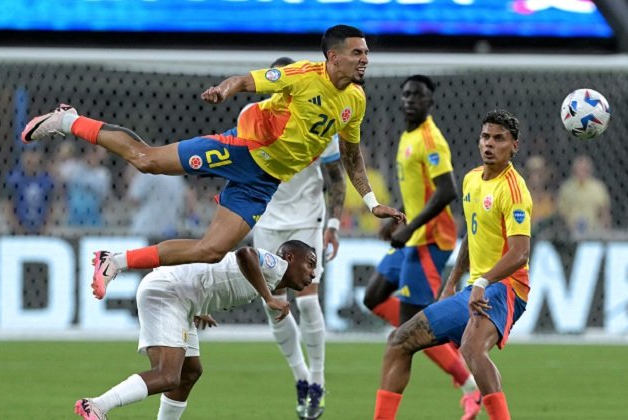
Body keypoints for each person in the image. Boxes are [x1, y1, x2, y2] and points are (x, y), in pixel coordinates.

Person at [20, 24, 404, 300]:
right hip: (244, 149)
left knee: (211, 250)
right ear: (333, 57)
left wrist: (372, 203)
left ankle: (114, 261)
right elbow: (245, 80)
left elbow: (352, 156)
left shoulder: (356, 100)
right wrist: (225, 88)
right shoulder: (302, 75)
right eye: (358, 52)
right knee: (146, 160)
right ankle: (67, 119)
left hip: (264, 181)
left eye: (367, 52)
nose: (365, 59)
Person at [373, 110, 532, 420]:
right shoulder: (472, 179)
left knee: (472, 350)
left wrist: (483, 283)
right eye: (486, 137)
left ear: (514, 145)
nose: (489, 144)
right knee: (399, 341)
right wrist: (452, 281)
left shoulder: (514, 190)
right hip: (476, 287)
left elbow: (520, 253)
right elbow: (473, 237)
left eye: (499, 139)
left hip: (508, 288)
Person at [74, 240, 318, 420]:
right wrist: (268, 298)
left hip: (183, 300)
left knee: (190, 372)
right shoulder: (277, 266)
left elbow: (217, 273)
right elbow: (246, 253)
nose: (313, 273)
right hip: (169, 294)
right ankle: (97, 405)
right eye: (310, 264)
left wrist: (200, 304)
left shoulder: (271, 278)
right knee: (168, 375)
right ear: (289, 257)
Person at [362, 75, 480, 419]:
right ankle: (456, 356)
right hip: (412, 234)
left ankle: (470, 386)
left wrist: (411, 226)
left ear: (430, 102)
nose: (412, 100)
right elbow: (418, 190)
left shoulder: (431, 140)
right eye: (407, 94)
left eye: (420, 96)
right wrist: (398, 218)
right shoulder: (408, 135)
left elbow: (447, 191)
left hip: (430, 240)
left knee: (407, 335)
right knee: (373, 297)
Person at [245, 56, 346, 420]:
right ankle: (301, 377)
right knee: (272, 303)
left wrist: (332, 224)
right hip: (268, 220)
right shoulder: (253, 115)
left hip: (306, 218)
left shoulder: (322, 118)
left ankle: (317, 382)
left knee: (307, 301)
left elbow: (336, 179)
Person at [55, 144, 111, 228]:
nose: (92, 158)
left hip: (94, 217)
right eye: (91, 154)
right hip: (73, 216)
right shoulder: (73, 167)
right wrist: (62, 155)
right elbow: (56, 174)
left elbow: (105, 197)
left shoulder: (103, 174)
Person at [556, 154, 611, 239]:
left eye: (584, 169)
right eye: (579, 169)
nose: (581, 172)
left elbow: (605, 211)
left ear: (589, 170)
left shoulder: (598, 187)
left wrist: (604, 231)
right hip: (571, 232)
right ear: (574, 170)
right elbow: (561, 212)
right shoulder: (566, 188)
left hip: (593, 231)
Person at [4, 147, 56, 235]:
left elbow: (52, 206)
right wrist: (17, 227)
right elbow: (8, 205)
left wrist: (45, 227)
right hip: (17, 229)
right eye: (27, 154)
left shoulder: (47, 180)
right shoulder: (14, 179)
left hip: (41, 229)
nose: (31, 158)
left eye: (34, 154)